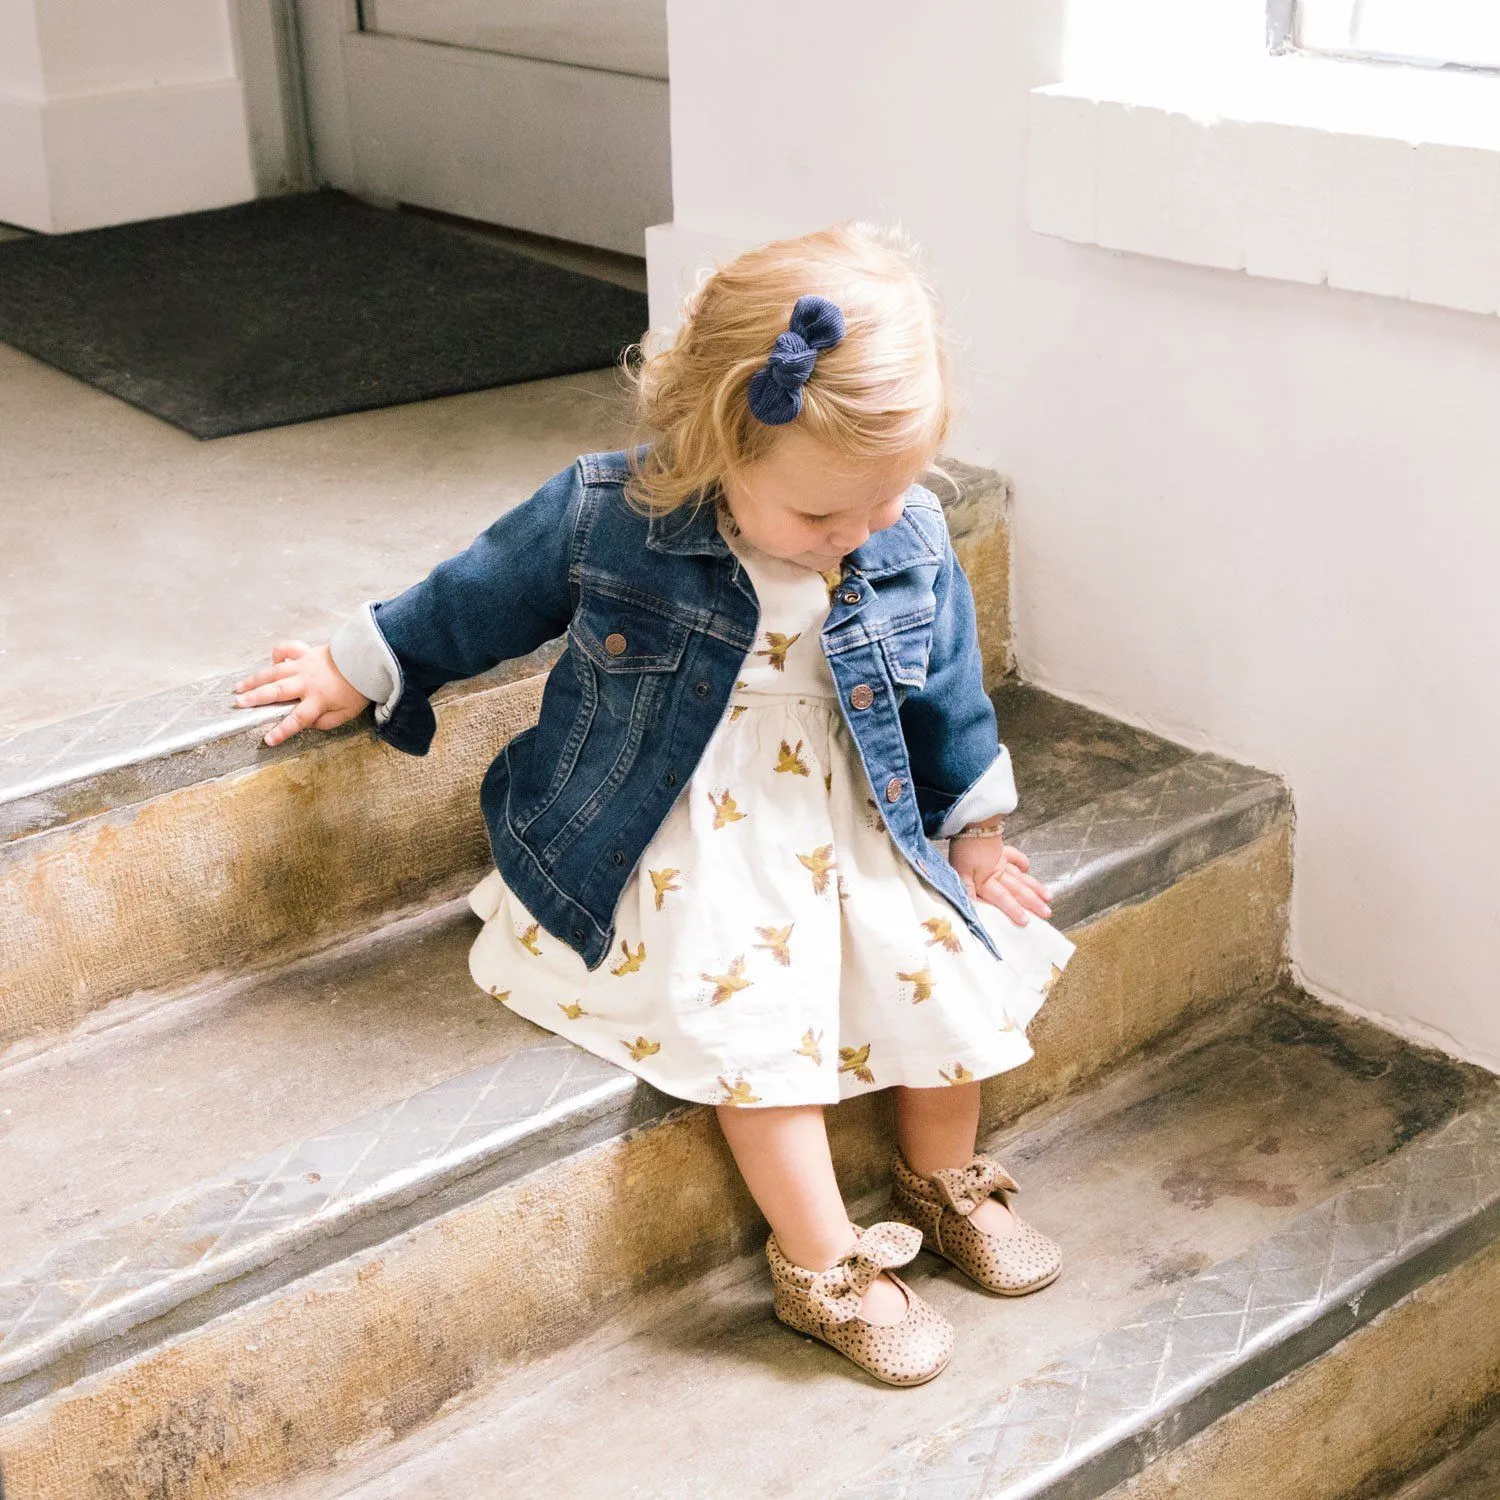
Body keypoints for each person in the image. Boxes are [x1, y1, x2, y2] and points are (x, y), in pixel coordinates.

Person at [232, 222, 1075, 1387]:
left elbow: (943, 695)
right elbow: (471, 600)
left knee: (946, 969)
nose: (859, 536)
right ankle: (823, 1260)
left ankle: (946, 1181)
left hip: (850, 818)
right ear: (716, 445)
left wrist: (972, 836)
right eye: (825, 520)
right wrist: (363, 664)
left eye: (882, 504)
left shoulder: (905, 527)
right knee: (757, 1028)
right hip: (676, 829)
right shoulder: (610, 515)